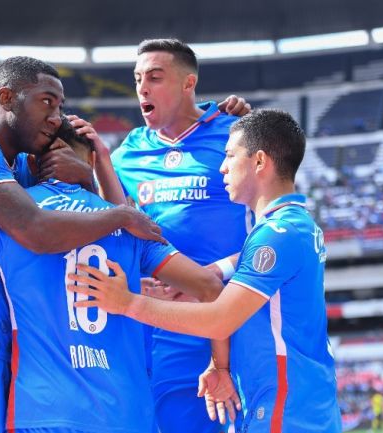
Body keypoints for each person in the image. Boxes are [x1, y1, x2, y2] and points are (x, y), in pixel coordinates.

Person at [0, 118, 225, 432]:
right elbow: (210, 287)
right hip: (128, 412)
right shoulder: (131, 225)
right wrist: (219, 365)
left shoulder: (12, 219)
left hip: (43, 409)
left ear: (33, 160)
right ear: (91, 160)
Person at [0, 56, 164, 433]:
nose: (56, 116)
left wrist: (90, 175)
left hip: (6, 340)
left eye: (60, 106)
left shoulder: (22, 168)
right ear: (6, 97)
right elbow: (35, 228)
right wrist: (122, 216)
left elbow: (72, 213)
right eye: (46, 101)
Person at [70, 109, 341, 433]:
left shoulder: (278, 234)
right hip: (293, 407)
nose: (222, 167)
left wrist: (126, 302)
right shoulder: (293, 225)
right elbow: (247, 269)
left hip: (285, 413)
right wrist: (212, 273)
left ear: (259, 162)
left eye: (229, 156)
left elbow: (220, 319)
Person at [110, 38, 250, 433]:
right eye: (138, 79)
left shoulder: (235, 136)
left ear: (189, 83)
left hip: (225, 320)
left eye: (155, 77)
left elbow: (273, 229)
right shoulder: (124, 155)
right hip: (155, 327)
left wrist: (211, 276)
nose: (142, 87)